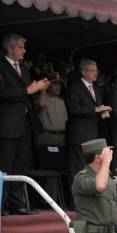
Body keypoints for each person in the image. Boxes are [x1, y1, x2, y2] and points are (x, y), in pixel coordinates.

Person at [0, 33, 49, 215]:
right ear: (10, 48)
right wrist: (27, 90)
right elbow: (3, 93)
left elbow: (29, 94)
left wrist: (38, 88)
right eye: (20, 47)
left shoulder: (25, 69)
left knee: (21, 164)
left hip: (25, 124)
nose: (24, 50)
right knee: (5, 165)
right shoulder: (2, 67)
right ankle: (2, 203)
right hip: (7, 124)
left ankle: (16, 203)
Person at [66, 58, 111, 177]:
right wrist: (95, 109)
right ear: (83, 71)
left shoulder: (96, 88)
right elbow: (73, 109)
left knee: (92, 167)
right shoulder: (74, 87)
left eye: (97, 71)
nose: (96, 73)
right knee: (79, 168)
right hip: (79, 134)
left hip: (93, 134)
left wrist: (103, 111)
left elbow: (97, 108)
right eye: (92, 71)